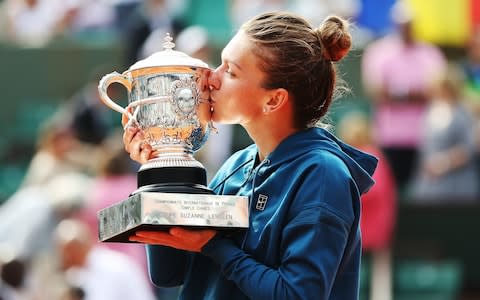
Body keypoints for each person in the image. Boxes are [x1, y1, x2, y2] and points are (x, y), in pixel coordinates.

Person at [122, 11, 377, 300]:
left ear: (273, 99)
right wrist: (159, 169)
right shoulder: (236, 165)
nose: (211, 79)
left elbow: (297, 295)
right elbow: (169, 274)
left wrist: (214, 245)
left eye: (230, 71)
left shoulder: (322, 174)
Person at [361, 0, 447, 192]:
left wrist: (397, 93)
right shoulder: (379, 52)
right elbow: (377, 93)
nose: (405, 28)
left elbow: (434, 92)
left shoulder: (430, 53)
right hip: (389, 136)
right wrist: (413, 93)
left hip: (424, 136)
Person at [337, 111, 397, 300]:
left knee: (377, 273)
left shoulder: (370, 155)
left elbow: (373, 191)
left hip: (371, 225)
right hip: (361, 224)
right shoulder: (356, 156)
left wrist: (340, 194)